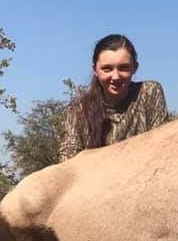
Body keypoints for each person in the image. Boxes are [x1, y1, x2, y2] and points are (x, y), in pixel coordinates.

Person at [58, 34, 170, 162]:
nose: (115, 76)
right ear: (95, 70)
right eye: (107, 69)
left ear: (135, 68)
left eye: (124, 68)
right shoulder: (78, 109)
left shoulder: (150, 92)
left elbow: (161, 145)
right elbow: (68, 161)